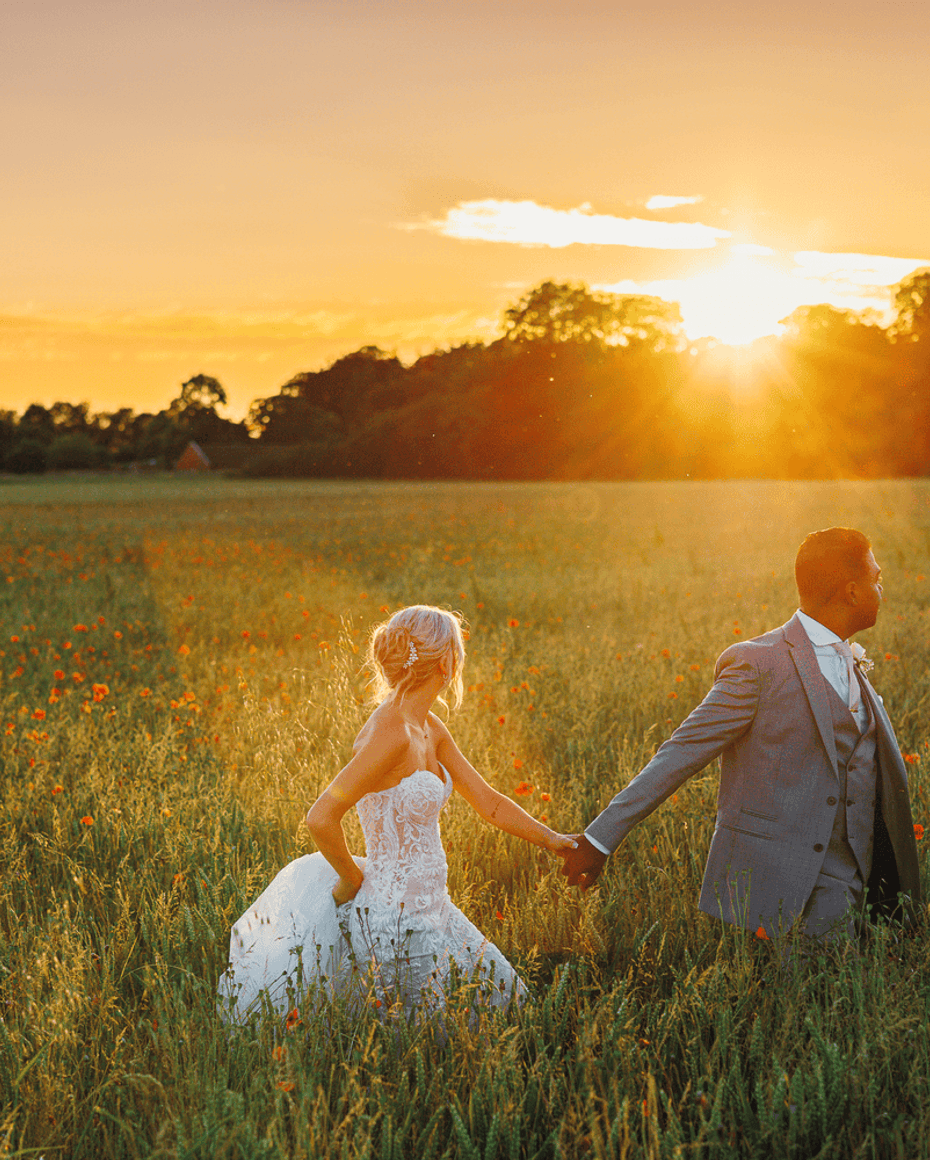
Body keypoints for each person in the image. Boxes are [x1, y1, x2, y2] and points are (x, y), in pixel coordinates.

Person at [560, 528, 921, 943]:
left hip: (863, 887)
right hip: (787, 889)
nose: (882, 589)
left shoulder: (850, 662)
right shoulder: (757, 664)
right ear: (853, 592)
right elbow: (680, 752)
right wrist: (600, 839)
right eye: (878, 580)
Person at [218, 604, 574, 1023]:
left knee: (507, 1000)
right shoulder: (391, 733)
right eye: (457, 654)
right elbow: (321, 816)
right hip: (394, 919)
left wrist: (553, 840)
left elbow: (489, 803)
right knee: (435, 1038)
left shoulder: (430, 727)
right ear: (445, 661)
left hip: (434, 907)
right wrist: (353, 877)